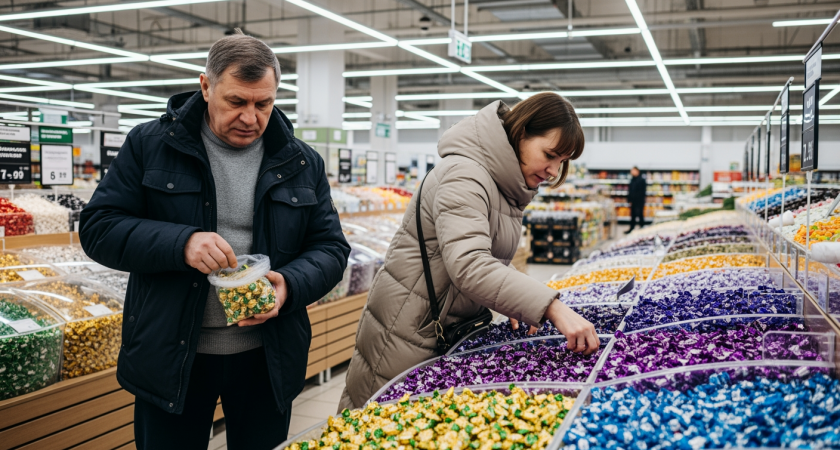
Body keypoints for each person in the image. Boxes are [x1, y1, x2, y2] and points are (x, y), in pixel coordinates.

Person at [79, 30, 350, 450]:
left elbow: (331, 248)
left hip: (267, 357)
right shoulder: (150, 146)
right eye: (236, 102)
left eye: (264, 103)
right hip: (171, 355)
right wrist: (181, 243)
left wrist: (289, 285)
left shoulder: (301, 161)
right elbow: (99, 227)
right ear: (206, 87)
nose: (250, 117)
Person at [339, 92, 599, 410]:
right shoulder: (466, 175)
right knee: (375, 429)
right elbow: (470, 265)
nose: (553, 171)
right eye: (550, 154)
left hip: (437, 328)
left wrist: (519, 301)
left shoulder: (499, 181)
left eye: (561, 162)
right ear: (522, 132)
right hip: (408, 331)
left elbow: (481, 252)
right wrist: (552, 308)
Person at [626, 166, 647, 233]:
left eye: (633, 171)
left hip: (639, 201)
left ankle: (642, 228)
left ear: (637, 171)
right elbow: (630, 191)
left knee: (640, 214)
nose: (631, 172)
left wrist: (638, 200)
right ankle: (632, 228)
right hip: (633, 201)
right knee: (633, 215)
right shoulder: (632, 179)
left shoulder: (641, 180)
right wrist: (629, 200)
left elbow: (642, 192)